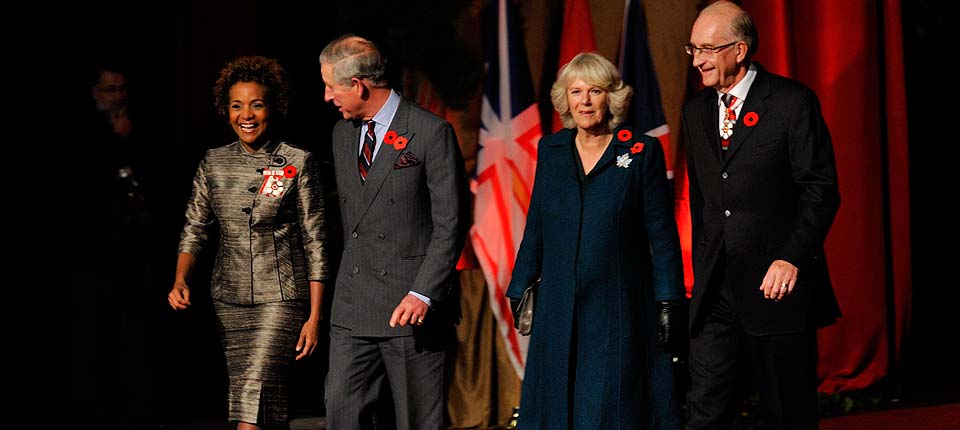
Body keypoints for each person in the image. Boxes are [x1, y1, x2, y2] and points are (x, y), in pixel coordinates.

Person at [682, 2, 841, 429]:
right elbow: (702, 201)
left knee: (786, 412)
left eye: (707, 49)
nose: (697, 60)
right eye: (693, 49)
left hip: (776, 287)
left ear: (739, 49)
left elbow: (820, 190)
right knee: (705, 410)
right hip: (716, 290)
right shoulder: (696, 112)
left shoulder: (791, 103)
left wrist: (791, 257)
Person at [505, 52, 685, 429]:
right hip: (557, 304)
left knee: (606, 407)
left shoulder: (640, 151)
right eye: (576, 92)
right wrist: (520, 284)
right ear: (565, 99)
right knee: (557, 403)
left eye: (595, 91)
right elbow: (536, 224)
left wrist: (668, 299)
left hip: (616, 307)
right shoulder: (551, 150)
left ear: (612, 97)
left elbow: (663, 236)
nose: (585, 101)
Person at [167, 55, 329, 430]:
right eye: (237, 106)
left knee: (253, 388)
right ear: (225, 111)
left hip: (282, 298)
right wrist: (180, 279)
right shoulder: (213, 163)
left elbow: (316, 241)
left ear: (273, 107)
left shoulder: (297, 161)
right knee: (258, 399)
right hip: (228, 298)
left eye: (256, 104)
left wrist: (315, 315)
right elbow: (195, 226)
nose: (247, 115)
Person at [319, 35, 470, 430]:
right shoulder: (342, 134)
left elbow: (451, 223)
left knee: (416, 420)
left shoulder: (429, 132)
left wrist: (423, 292)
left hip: (410, 305)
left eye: (331, 87)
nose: (326, 97)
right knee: (342, 412)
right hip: (352, 306)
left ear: (357, 85)